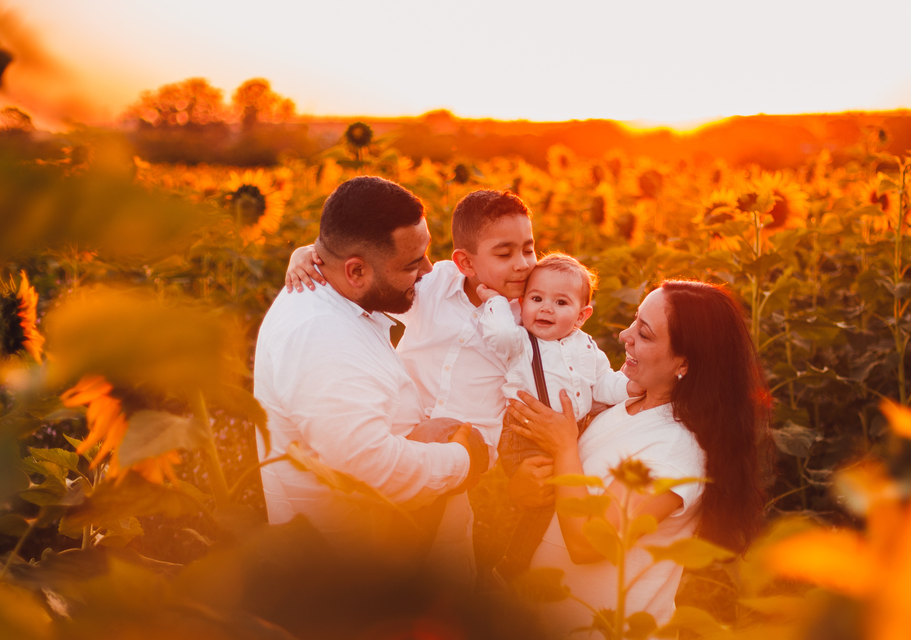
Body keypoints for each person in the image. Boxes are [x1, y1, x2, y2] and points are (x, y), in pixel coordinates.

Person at [507, 280, 770, 640]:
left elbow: (591, 544)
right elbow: (574, 494)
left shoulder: (674, 451)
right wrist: (526, 488)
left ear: (684, 363)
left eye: (645, 333)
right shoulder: (626, 408)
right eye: (634, 322)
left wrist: (565, 446)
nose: (625, 335)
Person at [283, 189, 542, 574]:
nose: (522, 264)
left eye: (529, 249)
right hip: (401, 433)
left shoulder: (531, 313)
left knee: (444, 554)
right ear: (465, 262)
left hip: (464, 449)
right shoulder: (434, 286)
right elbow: (370, 271)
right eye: (505, 254)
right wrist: (305, 254)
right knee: (381, 536)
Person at [254, 176, 487, 565]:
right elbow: (368, 467)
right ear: (357, 273)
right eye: (412, 263)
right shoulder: (321, 336)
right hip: (364, 574)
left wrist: (306, 251)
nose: (428, 270)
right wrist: (462, 460)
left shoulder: (336, 290)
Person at [476, 253, 640, 577]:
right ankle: (512, 564)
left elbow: (603, 383)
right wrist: (495, 302)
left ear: (582, 315)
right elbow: (499, 334)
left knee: (564, 494)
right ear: (522, 303)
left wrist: (632, 387)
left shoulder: (587, 346)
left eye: (561, 302)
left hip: (570, 431)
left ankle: (545, 559)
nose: (546, 309)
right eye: (536, 299)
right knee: (546, 498)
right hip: (527, 433)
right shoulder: (521, 342)